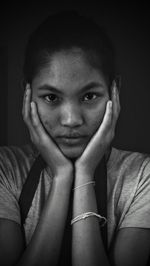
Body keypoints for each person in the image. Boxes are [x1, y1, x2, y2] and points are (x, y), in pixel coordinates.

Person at [0, 10, 150, 266]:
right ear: (28, 94)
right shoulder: (6, 169)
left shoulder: (141, 177)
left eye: (89, 96)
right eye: (51, 97)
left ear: (115, 90)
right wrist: (61, 176)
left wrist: (83, 173)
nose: (71, 120)